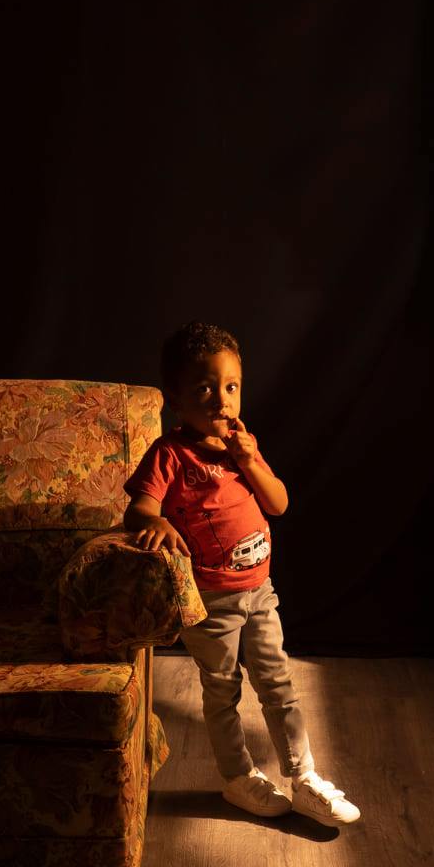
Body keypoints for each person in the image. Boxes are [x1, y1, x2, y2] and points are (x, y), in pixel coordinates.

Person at [124, 321, 362, 826]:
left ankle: (303, 777)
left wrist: (250, 461)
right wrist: (156, 520)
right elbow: (138, 509)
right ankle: (237, 778)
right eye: (204, 389)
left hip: (260, 591)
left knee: (278, 682)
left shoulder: (241, 446)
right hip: (211, 602)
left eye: (231, 387)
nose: (221, 400)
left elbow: (278, 503)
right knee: (222, 690)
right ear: (176, 399)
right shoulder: (170, 454)